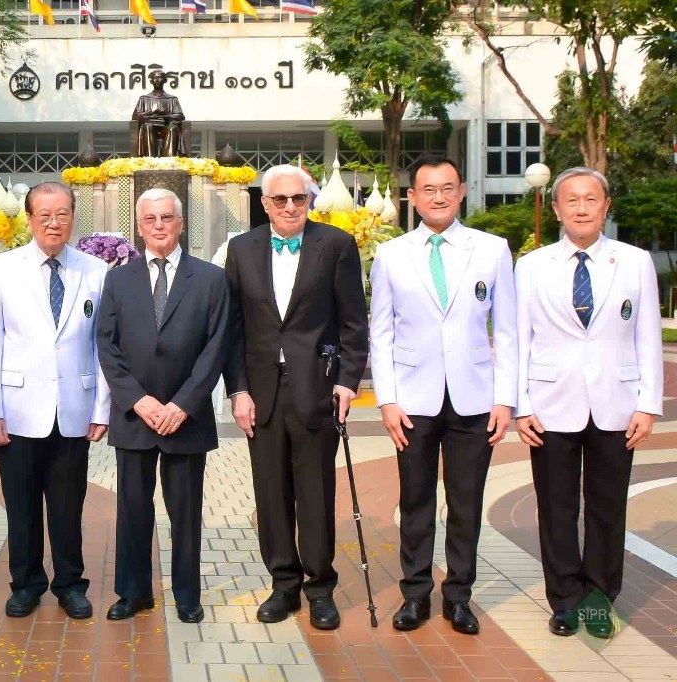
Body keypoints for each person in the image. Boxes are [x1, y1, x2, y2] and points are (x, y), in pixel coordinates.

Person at [369, 154, 517, 635]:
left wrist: (505, 399)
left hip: (475, 398)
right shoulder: (392, 254)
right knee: (415, 501)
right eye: (428, 189)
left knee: (466, 501)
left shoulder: (491, 250)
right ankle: (415, 594)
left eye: (447, 188)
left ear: (462, 192)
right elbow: (381, 332)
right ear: (412, 197)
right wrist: (387, 400)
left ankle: (459, 596)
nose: (438, 197)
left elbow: (508, 330)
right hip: (413, 400)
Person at [515, 167, 662, 638]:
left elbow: (648, 336)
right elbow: (518, 340)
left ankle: (600, 598)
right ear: (557, 209)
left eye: (591, 199)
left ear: (606, 206)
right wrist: (521, 405)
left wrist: (648, 404)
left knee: (607, 507)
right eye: (572, 200)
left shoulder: (635, 262)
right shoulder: (531, 266)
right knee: (555, 507)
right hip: (549, 403)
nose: (581, 208)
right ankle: (563, 600)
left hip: (617, 403)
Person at [223, 164, 368, 630]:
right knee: (271, 493)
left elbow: (353, 322)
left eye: (298, 198)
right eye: (280, 199)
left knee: (315, 492)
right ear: (265, 204)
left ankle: (320, 588)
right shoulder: (241, 249)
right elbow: (233, 329)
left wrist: (347, 381)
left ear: (309, 200)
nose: (290, 207)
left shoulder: (337, 245)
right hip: (262, 392)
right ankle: (283, 584)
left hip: (317, 388)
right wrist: (238, 389)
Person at [0, 182, 109, 620]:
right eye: (45, 215)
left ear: (73, 217)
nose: (54, 223)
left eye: (62, 214)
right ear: (30, 219)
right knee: (22, 506)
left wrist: (101, 408)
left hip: (74, 409)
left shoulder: (95, 271)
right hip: (16, 411)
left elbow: (102, 346)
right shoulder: (3, 268)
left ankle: (70, 584)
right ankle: (26, 584)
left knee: (69, 508)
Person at [97, 188, 229, 624]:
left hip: (185, 419)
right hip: (136, 416)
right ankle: (134, 592)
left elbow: (216, 347)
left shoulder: (210, 279)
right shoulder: (118, 280)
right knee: (133, 510)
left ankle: (187, 595)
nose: (159, 226)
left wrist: (183, 404)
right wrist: (139, 400)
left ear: (181, 223)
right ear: (139, 226)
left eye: (167, 218)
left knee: (185, 513)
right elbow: (107, 345)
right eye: (150, 219)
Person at [132, 70, 186, 157]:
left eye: (159, 77)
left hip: (166, 124)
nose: (157, 80)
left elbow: (180, 116)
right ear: (151, 81)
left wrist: (166, 116)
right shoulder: (144, 98)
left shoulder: (172, 99)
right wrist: (152, 112)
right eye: (155, 78)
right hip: (149, 125)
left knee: (172, 128)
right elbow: (135, 116)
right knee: (147, 126)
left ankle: (168, 160)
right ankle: (150, 160)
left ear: (165, 80)